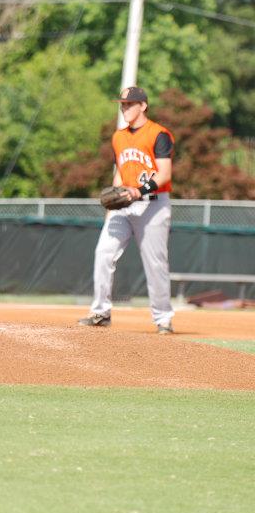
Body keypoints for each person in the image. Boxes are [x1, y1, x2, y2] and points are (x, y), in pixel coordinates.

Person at [78, 86, 175, 334]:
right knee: (103, 253)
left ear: (143, 105)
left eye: (129, 104)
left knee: (155, 264)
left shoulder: (159, 134)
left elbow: (164, 174)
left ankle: (163, 318)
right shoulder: (118, 137)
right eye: (122, 105)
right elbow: (120, 171)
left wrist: (138, 192)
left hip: (153, 205)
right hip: (124, 204)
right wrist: (114, 203)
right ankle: (101, 313)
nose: (124, 109)